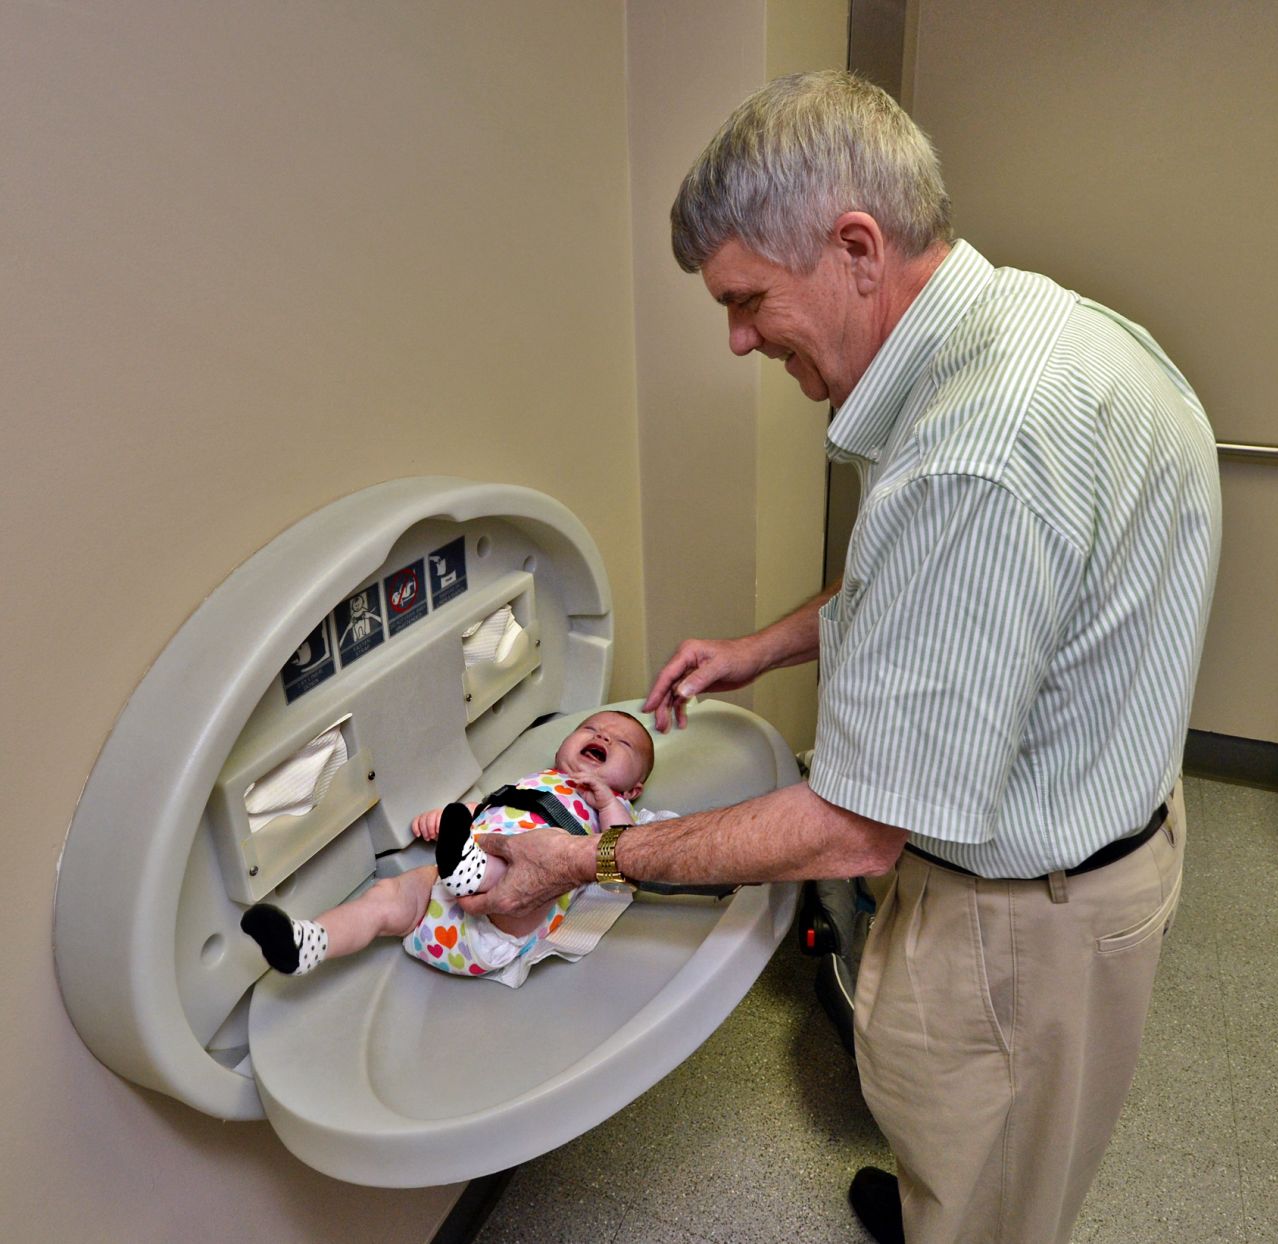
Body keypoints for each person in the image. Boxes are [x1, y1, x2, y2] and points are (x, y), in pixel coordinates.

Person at [459, 70, 1222, 1244]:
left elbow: (854, 825)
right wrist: (759, 649)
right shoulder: (1041, 331)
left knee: (996, 1189)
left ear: (856, 247)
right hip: (1104, 828)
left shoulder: (975, 456)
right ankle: (939, 1197)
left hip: (1023, 924)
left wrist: (586, 856)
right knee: (962, 1154)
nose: (735, 338)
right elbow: (925, 589)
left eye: (748, 298)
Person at [240, 711, 655, 987]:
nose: (602, 735)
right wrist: (448, 817)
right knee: (387, 897)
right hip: (440, 909)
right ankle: (308, 942)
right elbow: (489, 811)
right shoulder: (534, 781)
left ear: (634, 787)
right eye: (590, 728)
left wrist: (606, 802)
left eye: (623, 743)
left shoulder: (615, 806)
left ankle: (472, 872)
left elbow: (620, 857)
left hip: (505, 920)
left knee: (517, 876)